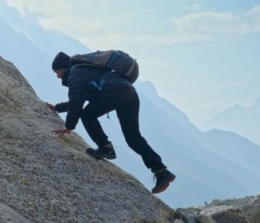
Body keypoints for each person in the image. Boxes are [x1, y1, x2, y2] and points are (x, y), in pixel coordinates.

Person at [47, 51, 175, 194]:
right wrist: (58, 108)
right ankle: (161, 171)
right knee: (133, 137)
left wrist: (69, 126)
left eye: (56, 72)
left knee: (87, 115)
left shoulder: (75, 73)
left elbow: (77, 103)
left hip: (116, 91)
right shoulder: (85, 70)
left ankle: (105, 147)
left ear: (63, 68)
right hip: (128, 92)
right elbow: (78, 100)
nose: (57, 76)